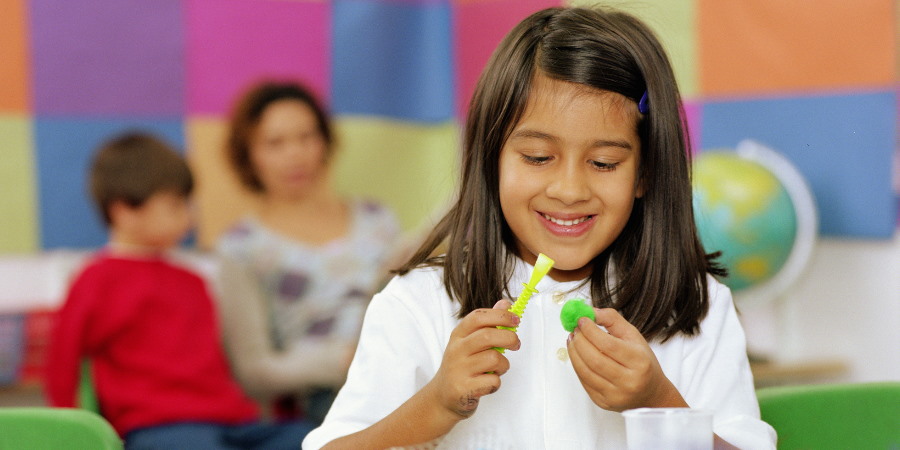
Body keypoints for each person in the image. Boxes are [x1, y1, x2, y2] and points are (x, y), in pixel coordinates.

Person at [302, 6, 777, 450]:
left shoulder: (697, 304)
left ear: (646, 174)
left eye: (604, 162)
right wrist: (435, 405)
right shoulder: (419, 302)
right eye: (537, 157)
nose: (569, 189)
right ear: (492, 160)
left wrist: (657, 401)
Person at [45, 132, 312, 449]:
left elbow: (222, 365)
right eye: (175, 204)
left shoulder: (194, 282)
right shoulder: (96, 279)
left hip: (231, 422)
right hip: (157, 427)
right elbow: (62, 364)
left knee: (307, 437)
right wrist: (74, 433)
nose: (190, 215)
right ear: (123, 211)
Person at [215, 81, 402, 423]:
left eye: (306, 137)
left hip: (406, 365)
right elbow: (253, 371)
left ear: (325, 141)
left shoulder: (378, 219)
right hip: (328, 397)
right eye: (275, 143)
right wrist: (341, 361)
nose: (295, 154)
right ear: (248, 155)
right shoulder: (241, 246)